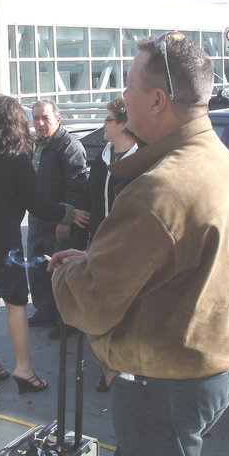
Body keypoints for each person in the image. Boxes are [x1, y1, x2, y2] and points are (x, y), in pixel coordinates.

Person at [49, 32, 229, 456]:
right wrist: (96, 260)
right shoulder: (218, 159)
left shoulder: (159, 190)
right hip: (210, 364)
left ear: (158, 100)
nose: (122, 98)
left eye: (127, 86)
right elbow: (175, 262)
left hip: (164, 381)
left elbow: (93, 302)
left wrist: (63, 276)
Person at [0, 95, 89, 394]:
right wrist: (68, 212)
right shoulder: (16, 157)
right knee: (16, 303)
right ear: (15, 122)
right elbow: (36, 202)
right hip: (3, 240)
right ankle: (23, 369)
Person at [77, 97, 138, 392]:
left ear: (124, 124)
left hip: (128, 250)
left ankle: (123, 369)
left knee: (126, 312)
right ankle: (109, 367)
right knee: (101, 311)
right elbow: (92, 198)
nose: (103, 124)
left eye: (108, 120)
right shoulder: (104, 154)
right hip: (99, 243)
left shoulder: (141, 159)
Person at [26, 100, 87, 339]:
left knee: (61, 273)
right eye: (36, 118)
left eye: (45, 118)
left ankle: (67, 320)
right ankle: (46, 312)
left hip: (60, 222)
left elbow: (77, 188)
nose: (40, 123)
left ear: (58, 120)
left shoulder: (69, 146)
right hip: (38, 219)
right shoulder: (37, 145)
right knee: (38, 269)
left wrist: (65, 220)